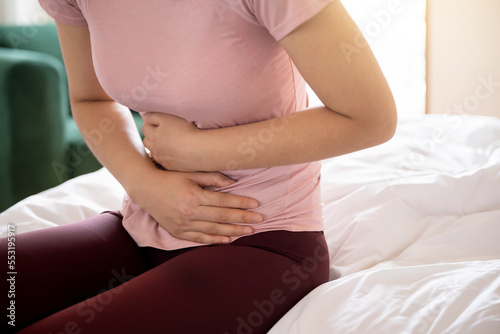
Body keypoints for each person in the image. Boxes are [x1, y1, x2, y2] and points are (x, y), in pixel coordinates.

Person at [1, 0, 397, 333]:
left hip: (263, 242)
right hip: (141, 224)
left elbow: (369, 117)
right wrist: (146, 185)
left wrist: (196, 149)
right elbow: (92, 100)